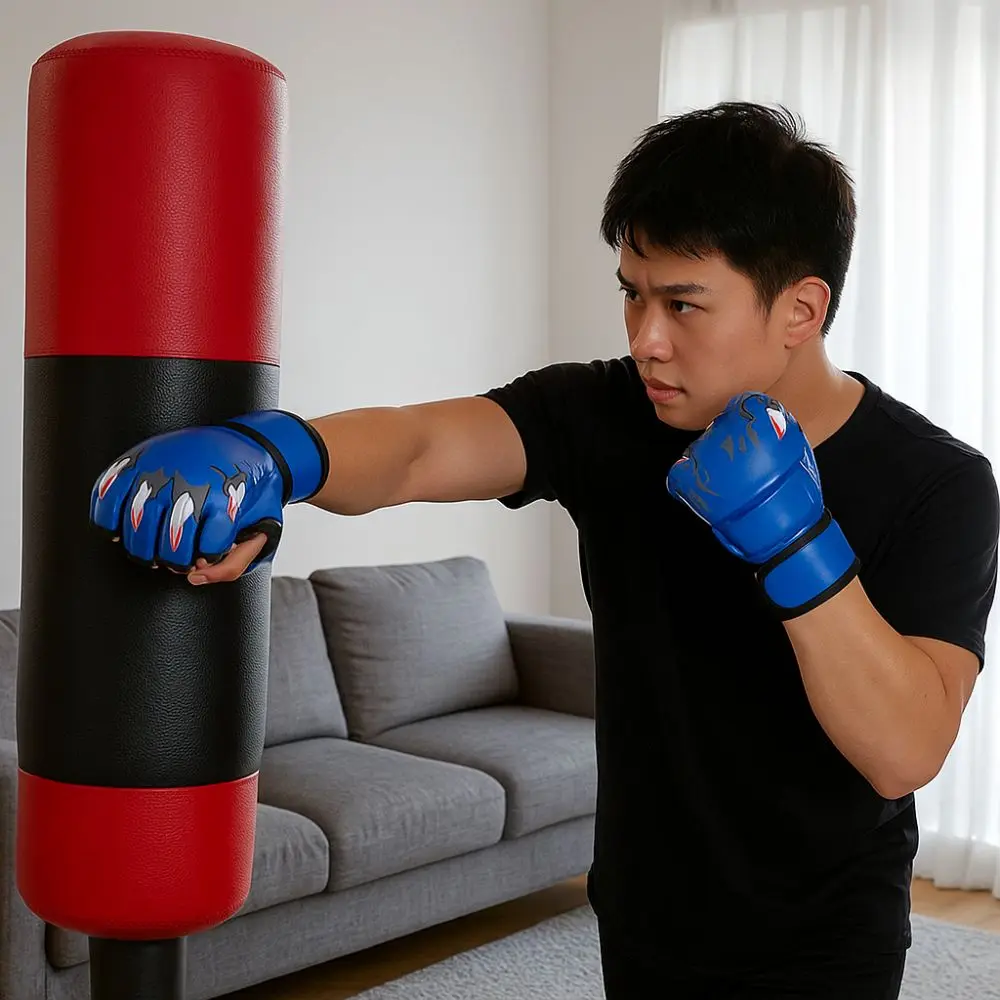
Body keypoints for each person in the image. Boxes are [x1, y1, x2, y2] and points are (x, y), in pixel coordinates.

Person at [90, 102, 999, 999]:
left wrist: (794, 540)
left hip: (823, 943)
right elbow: (421, 445)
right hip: (644, 917)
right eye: (632, 295)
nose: (647, 338)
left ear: (801, 308)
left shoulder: (937, 483)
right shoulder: (609, 414)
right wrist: (280, 455)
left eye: (684, 303)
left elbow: (904, 751)